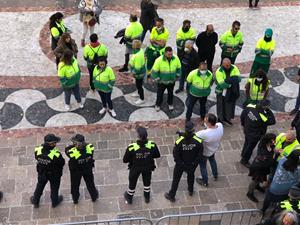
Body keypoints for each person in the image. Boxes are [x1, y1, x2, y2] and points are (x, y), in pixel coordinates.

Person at [165, 121, 203, 202]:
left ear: (185, 129)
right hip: (191, 164)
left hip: (180, 165)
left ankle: (172, 195)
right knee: (191, 177)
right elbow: (199, 155)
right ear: (193, 130)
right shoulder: (198, 141)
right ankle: (190, 190)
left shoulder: (179, 140)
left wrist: (180, 163)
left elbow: (175, 154)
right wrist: (194, 164)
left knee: (176, 180)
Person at [123, 126, 160, 204]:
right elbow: (157, 155)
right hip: (147, 167)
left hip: (135, 168)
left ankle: (129, 196)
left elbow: (125, 160)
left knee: (132, 182)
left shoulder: (131, 147)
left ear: (138, 136)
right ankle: (147, 197)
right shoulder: (152, 145)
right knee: (147, 181)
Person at [31, 134, 65, 208]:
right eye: (54, 143)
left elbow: (37, 157)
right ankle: (55, 202)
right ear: (50, 144)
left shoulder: (38, 149)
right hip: (54, 174)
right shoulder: (56, 154)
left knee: (39, 187)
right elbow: (62, 163)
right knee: (54, 188)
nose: (55, 144)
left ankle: (35, 201)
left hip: (42, 172)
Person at [261, 150, 300, 214]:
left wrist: (281, 152)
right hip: (286, 191)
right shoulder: (298, 169)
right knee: (280, 203)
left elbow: (283, 154)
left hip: (274, 188)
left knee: (268, 200)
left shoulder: (282, 160)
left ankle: (263, 210)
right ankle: (274, 213)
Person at [240, 100, 276, 167]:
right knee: (250, 148)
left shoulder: (250, 106)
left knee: (247, 142)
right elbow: (273, 121)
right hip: (255, 135)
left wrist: (243, 124)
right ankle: (244, 160)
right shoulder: (263, 117)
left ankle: (243, 154)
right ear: (266, 107)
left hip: (247, 130)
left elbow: (243, 114)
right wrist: (268, 111)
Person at [65, 134, 99, 204]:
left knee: (75, 185)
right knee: (90, 183)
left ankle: (75, 198)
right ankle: (94, 196)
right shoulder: (90, 147)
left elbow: (67, 150)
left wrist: (73, 146)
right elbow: (88, 146)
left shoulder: (72, 152)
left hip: (76, 171)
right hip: (87, 168)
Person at [246, 133, 277, 202]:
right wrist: (274, 157)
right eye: (273, 140)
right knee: (255, 180)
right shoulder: (262, 151)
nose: (274, 141)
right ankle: (250, 193)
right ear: (268, 140)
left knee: (260, 178)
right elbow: (267, 162)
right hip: (258, 168)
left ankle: (257, 186)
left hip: (263, 168)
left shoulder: (270, 145)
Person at [195, 113, 224, 187]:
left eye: (205, 121)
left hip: (205, 152)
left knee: (203, 166)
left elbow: (194, 136)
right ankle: (215, 174)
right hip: (214, 149)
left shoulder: (205, 133)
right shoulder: (220, 126)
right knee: (212, 160)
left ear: (209, 123)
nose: (204, 122)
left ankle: (205, 181)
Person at [151, 46, 181, 111]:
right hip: (162, 82)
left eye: (171, 54)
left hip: (171, 81)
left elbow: (179, 68)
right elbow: (154, 72)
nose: (170, 55)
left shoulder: (176, 58)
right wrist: (158, 79)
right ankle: (158, 105)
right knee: (160, 94)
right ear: (165, 53)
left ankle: (170, 103)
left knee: (170, 93)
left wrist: (177, 76)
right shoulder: (159, 60)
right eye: (169, 54)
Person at [215, 58, 241, 126]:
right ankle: (220, 119)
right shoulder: (219, 71)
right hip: (221, 92)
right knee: (221, 105)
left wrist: (228, 81)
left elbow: (239, 79)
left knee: (230, 106)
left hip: (231, 92)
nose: (228, 67)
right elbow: (223, 85)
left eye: (229, 65)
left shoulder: (234, 67)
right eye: (226, 65)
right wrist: (232, 82)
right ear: (223, 64)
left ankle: (227, 119)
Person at [129, 40, 146, 105]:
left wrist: (132, 73)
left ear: (135, 46)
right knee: (138, 84)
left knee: (139, 85)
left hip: (139, 73)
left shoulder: (138, 55)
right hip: (140, 72)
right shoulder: (140, 50)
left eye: (133, 44)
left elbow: (137, 68)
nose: (132, 45)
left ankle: (142, 99)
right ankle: (139, 93)